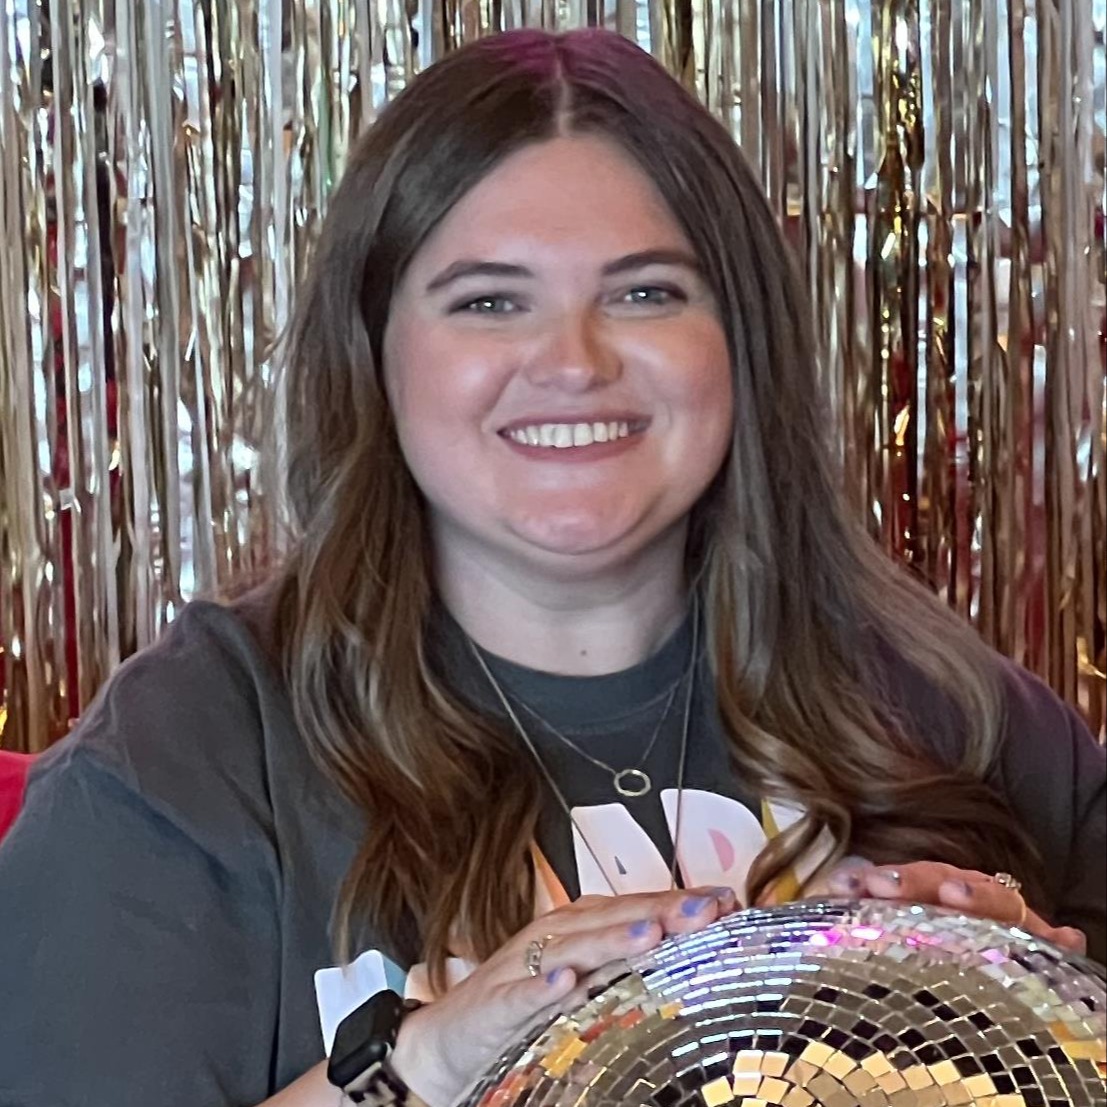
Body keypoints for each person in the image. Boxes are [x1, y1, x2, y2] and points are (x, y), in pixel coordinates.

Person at [0, 26, 1103, 1107]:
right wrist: (419, 1068)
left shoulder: (947, 704)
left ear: (741, 342)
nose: (574, 363)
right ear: (374, 351)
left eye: (644, 293)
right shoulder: (184, 756)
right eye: (489, 301)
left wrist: (1032, 1002)